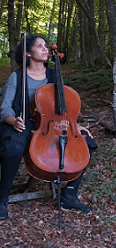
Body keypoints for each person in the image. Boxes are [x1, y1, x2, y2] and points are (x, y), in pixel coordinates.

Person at [0, 34, 97, 220]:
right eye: (40, 46)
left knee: (88, 143)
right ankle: (2, 198)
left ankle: (69, 195)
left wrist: (74, 125)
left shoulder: (54, 75)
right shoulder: (17, 76)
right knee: (14, 145)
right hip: (23, 122)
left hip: (50, 125)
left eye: (46, 46)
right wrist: (12, 120)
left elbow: (63, 108)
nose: (45, 49)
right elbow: (4, 107)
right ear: (28, 53)